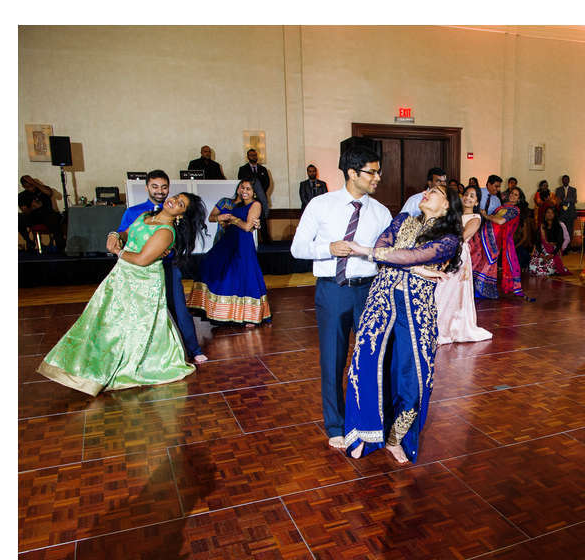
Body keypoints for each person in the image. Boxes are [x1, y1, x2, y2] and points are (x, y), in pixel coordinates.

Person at [38, 193, 206, 395]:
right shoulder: (145, 216)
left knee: (131, 327)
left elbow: (143, 259)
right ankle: (87, 364)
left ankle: (124, 366)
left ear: (181, 214)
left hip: (142, 282)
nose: (173, 201)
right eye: (177, 197)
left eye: (180, 204)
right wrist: (115, 236)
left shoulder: (166, 232)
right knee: (103, 318)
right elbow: (126, 233)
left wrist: (118, 252)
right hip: (121, 275)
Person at [341, 186, 462, 464]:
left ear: (447, 207)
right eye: (428, 188)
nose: (427, 192)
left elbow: (412, 255)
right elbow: (386, 250)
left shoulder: (448, 239)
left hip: (417, 311)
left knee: (413, 376)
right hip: (381, 300)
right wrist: (413, 268)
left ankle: (396, 438)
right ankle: (364, 434)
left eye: (437, 191)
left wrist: (399, 261)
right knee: (367, 363)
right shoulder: (401, 220)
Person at [291, 144, 392, 450]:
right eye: (371, 172)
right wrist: (328, 249)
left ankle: (369, 421)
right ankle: (335, 425)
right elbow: (297, 248)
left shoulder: (381, 212)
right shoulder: (321, 205)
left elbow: (387, 255)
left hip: (369, 291)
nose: (377, 177)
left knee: (371, 359)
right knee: (333, 359)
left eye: (378, 171)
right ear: (352, 173)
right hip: (332, 290)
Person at [106, 170, 207, 364]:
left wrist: (169, 248)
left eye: (164, 187)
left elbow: (184, 237)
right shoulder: (137, 212)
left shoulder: (175, 215)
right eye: (155, 186)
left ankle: (193, 349)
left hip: (167, 267)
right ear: (147, 187)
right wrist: (113, 235)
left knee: (178, 308)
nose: (160, 191)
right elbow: (122, 234)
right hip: (137, 269)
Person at [188, 179, 271, 327]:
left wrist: (233, 219)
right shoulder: (237, 204)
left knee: (245, 275)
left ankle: (250, 316)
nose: (244, 191)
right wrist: (225, 221)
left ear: (255, 193)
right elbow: (218, 219)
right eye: (242, 187)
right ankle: (221, 310)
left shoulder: (256, 205)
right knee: (215, 267)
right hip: (229, 241)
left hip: (242, 244)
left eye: (249, 189)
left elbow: (247, 228)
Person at [434, 185, 492, 345]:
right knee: (442, 289)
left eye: (472, 196)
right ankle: (436, 326)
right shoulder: (455, 213)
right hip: (446, 249)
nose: (467, 198)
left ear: (477, 201)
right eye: (466, 194)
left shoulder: (475, 218)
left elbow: (462, 237)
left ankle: (447, 329)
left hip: (458, 254)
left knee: (449, 291)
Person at [471, 187, 528, 299]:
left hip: (494, 240)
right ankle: (476, 289)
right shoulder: (502, 207)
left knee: (488, 262)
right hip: (484, 235)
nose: (512, 195)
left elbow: (500, 221)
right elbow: (494, 219)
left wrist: (486, 215)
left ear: (519, 199)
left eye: (516, 195)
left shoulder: (514, 210)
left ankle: (483, 291)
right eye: (511, 193)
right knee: (478, 260)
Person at [19, 175, 61, 250]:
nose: (31, 188)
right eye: (27, 186)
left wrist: (34, 183)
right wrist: (32, 207)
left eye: (31, 185)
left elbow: (50, 193)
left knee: (55, 218)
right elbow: (25, 211)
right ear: (23, 186)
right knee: (18, 218)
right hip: (33, 217)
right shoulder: (22, 196)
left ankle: (60, 246)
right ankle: (29, 242)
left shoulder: (42, 189)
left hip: (47, 214)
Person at [238, 148, 271, 242]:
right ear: (248, 157)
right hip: (248, 199)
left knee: (263, 219)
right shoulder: (242, 169)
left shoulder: (263, 169)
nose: (254, 157)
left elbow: (267, 183)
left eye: (255, 155)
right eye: (251, 155)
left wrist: (259, 192)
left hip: (261, 198)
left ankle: (266, 241)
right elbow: (241, 182)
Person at [529, 206, 571, 276]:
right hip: (541, 251)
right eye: (548, 212)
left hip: (553, 251)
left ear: (555, 215)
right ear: (545, 214)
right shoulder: (541, 226)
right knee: (533, 269)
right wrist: (541, 253)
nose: (550, 214)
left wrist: (552, 254)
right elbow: (537, 241)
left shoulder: (559, 226)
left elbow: (559, 242)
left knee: (548, 270)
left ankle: (554, 267)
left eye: (552, 213)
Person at [554, 175, 577, 241]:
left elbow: (574, 200)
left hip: (570, 213)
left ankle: (569, 246)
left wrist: (564, 200)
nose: (565, 181)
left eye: (567, 179)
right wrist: (568, 200)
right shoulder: (558, 189)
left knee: (570, 230)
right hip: (561, 213)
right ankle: (562, 246)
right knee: (561, 230)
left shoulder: (573, 190)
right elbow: (558, 200)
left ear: (569, 180)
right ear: (562, 181)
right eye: (564, 179)